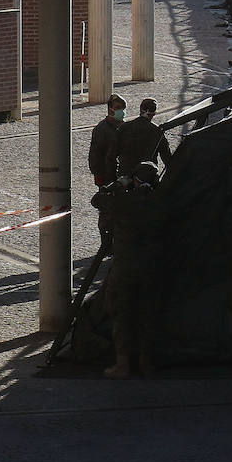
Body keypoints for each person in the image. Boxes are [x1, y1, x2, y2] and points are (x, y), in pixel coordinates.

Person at [91, 162, 167, 378]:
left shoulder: (123, 202)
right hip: (151, 266)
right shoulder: (160, 201)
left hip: (125, 266)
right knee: (148, 315)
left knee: (122, 314)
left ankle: (122, 364)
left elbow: (97, 200)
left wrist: (117, 185)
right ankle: (146, 363)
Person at [88, 93, 128, 251]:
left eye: (123, 108)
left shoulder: (124, 127)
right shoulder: (102, 129)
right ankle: (106, 243)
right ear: (110, 109)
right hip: (107, 177)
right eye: (118, 108)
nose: (121, 111)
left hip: (121, 177)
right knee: (106, 211)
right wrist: (99, 175)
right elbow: (95, 155)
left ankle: (117, 242)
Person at [117, 97, 172, 173]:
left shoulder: (125, 126)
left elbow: (113, 150)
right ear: (154, 113)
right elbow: (166, 156)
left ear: (140, 109)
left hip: (125, 172)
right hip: (146, 174)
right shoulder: (157, 131)